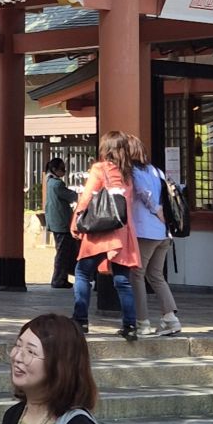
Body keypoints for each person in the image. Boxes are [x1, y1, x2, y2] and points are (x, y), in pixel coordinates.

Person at [70, 130, 140, 341]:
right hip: (122, 231)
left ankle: (80, 320)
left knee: (82, 273)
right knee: (122, 281)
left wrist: (76, 220)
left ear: (105, 148)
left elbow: (86, 197)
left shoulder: (100, 169)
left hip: (100, 230)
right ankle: (130, 325)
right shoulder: (128, 174)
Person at [128, 137, 182, 337]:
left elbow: (145, 193)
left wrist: (157, 211)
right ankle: (170, 318)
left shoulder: (134, 172)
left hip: (147, 231)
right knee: (156, 275)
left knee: (137, 274)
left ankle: (142, 321)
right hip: (164, 233)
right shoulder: (156, 170)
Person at [44, 158, 80, 289]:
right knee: (63, 253)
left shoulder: (49, 182)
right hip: (62, 222)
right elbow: (71, 196)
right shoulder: (57, 184)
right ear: (54, 169)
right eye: (62, 169)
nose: (64, 171)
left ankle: (62, 277)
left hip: (56, 222)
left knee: (63, 252)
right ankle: (58, 279)